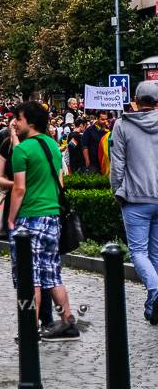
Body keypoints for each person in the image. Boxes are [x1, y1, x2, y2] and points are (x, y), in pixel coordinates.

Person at [7, 100, 80, 341]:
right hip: (53, 217)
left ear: (30, 121)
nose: (14, 123)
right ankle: (68, 321)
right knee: (52, 274)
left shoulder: (22, 150)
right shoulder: (52, 145)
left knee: (31, 277)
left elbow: (19, 188)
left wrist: (11, 219)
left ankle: (30, 329)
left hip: (30, 217)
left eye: (18, 119)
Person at [110, 80, 158, 323]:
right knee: (156, 254)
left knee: (138, 252)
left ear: (136, 101)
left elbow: (117, 164)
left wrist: (117, 190)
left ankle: (156, 292)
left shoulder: (122, 125)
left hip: (135, 197)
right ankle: (152, 309)